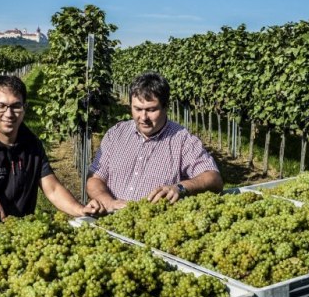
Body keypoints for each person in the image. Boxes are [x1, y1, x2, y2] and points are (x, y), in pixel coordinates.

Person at [0, 75, 104, 233]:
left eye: (16, 106)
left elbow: (52, 188)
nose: (8, 114)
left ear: (25, 108)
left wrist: (80, 210)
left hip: (18, 236)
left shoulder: (32, 146)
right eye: (0, 106)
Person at [86, 72, 223, 212]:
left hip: (154, 226)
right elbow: (95, 179)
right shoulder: (116, 134)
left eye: (151, 110)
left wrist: (180, 188)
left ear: (165, 107)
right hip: (111, 221)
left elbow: (213, 178)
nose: (143, 117)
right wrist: (109, 202)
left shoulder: (182, 140)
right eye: (138, 109)